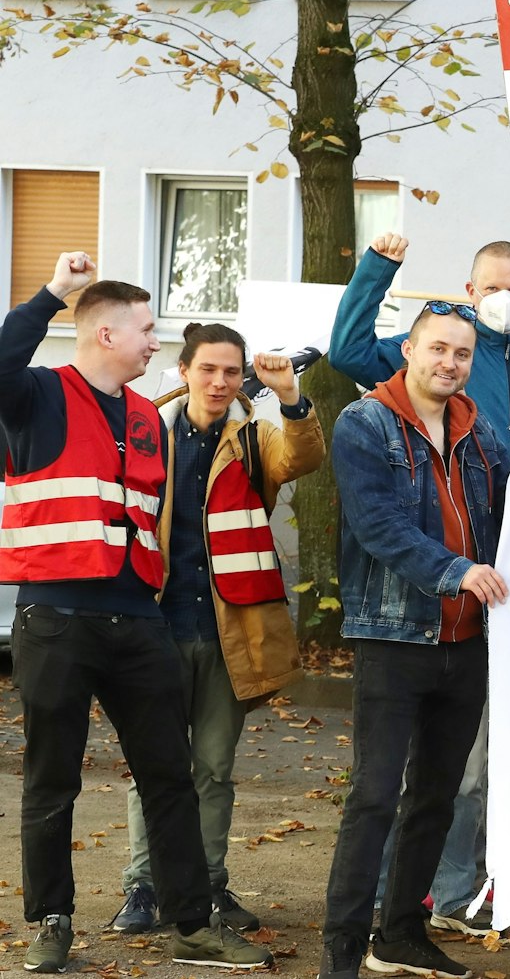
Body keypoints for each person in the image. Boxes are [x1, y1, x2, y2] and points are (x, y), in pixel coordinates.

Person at [3, 256, 274, 974]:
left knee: (169, 775)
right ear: (103, 332)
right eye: (147, 329)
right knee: (51, 777)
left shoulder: (149, 419)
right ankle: (52, 921)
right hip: (56, 617)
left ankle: (191, 925)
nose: (157, 342)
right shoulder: (35, 394)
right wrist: (53, 294)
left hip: (137, 620)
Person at [113, 324, 325, 937]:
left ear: (242, 379)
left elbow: (303, 456)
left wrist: (290, 396)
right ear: (184, 370)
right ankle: (144, 888)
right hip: (152, 626)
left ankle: (207, 886)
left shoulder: (256, 438)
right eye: (207, 369)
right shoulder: (146, 432)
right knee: (155, 764)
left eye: (231, 372)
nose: (219, 382)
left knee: (211, 767)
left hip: (230, 632)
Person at [322, 300, 510, 979]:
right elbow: (376, 525)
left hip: (468, 643)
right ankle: (342, 947)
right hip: (395, 637)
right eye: (437, 349)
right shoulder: (364, 422)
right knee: (374, 793)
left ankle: (399, 932)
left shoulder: (483, 430)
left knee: (435, 794)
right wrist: (455, 570)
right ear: (409, 348)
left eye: (461, 353)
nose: (449, 363)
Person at [330, 232, 510, 435]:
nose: (504, 299)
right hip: (457, 498)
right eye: (492, 288)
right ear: (472, 292)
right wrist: (377, 270)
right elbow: (350, 353)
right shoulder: (439, 354)